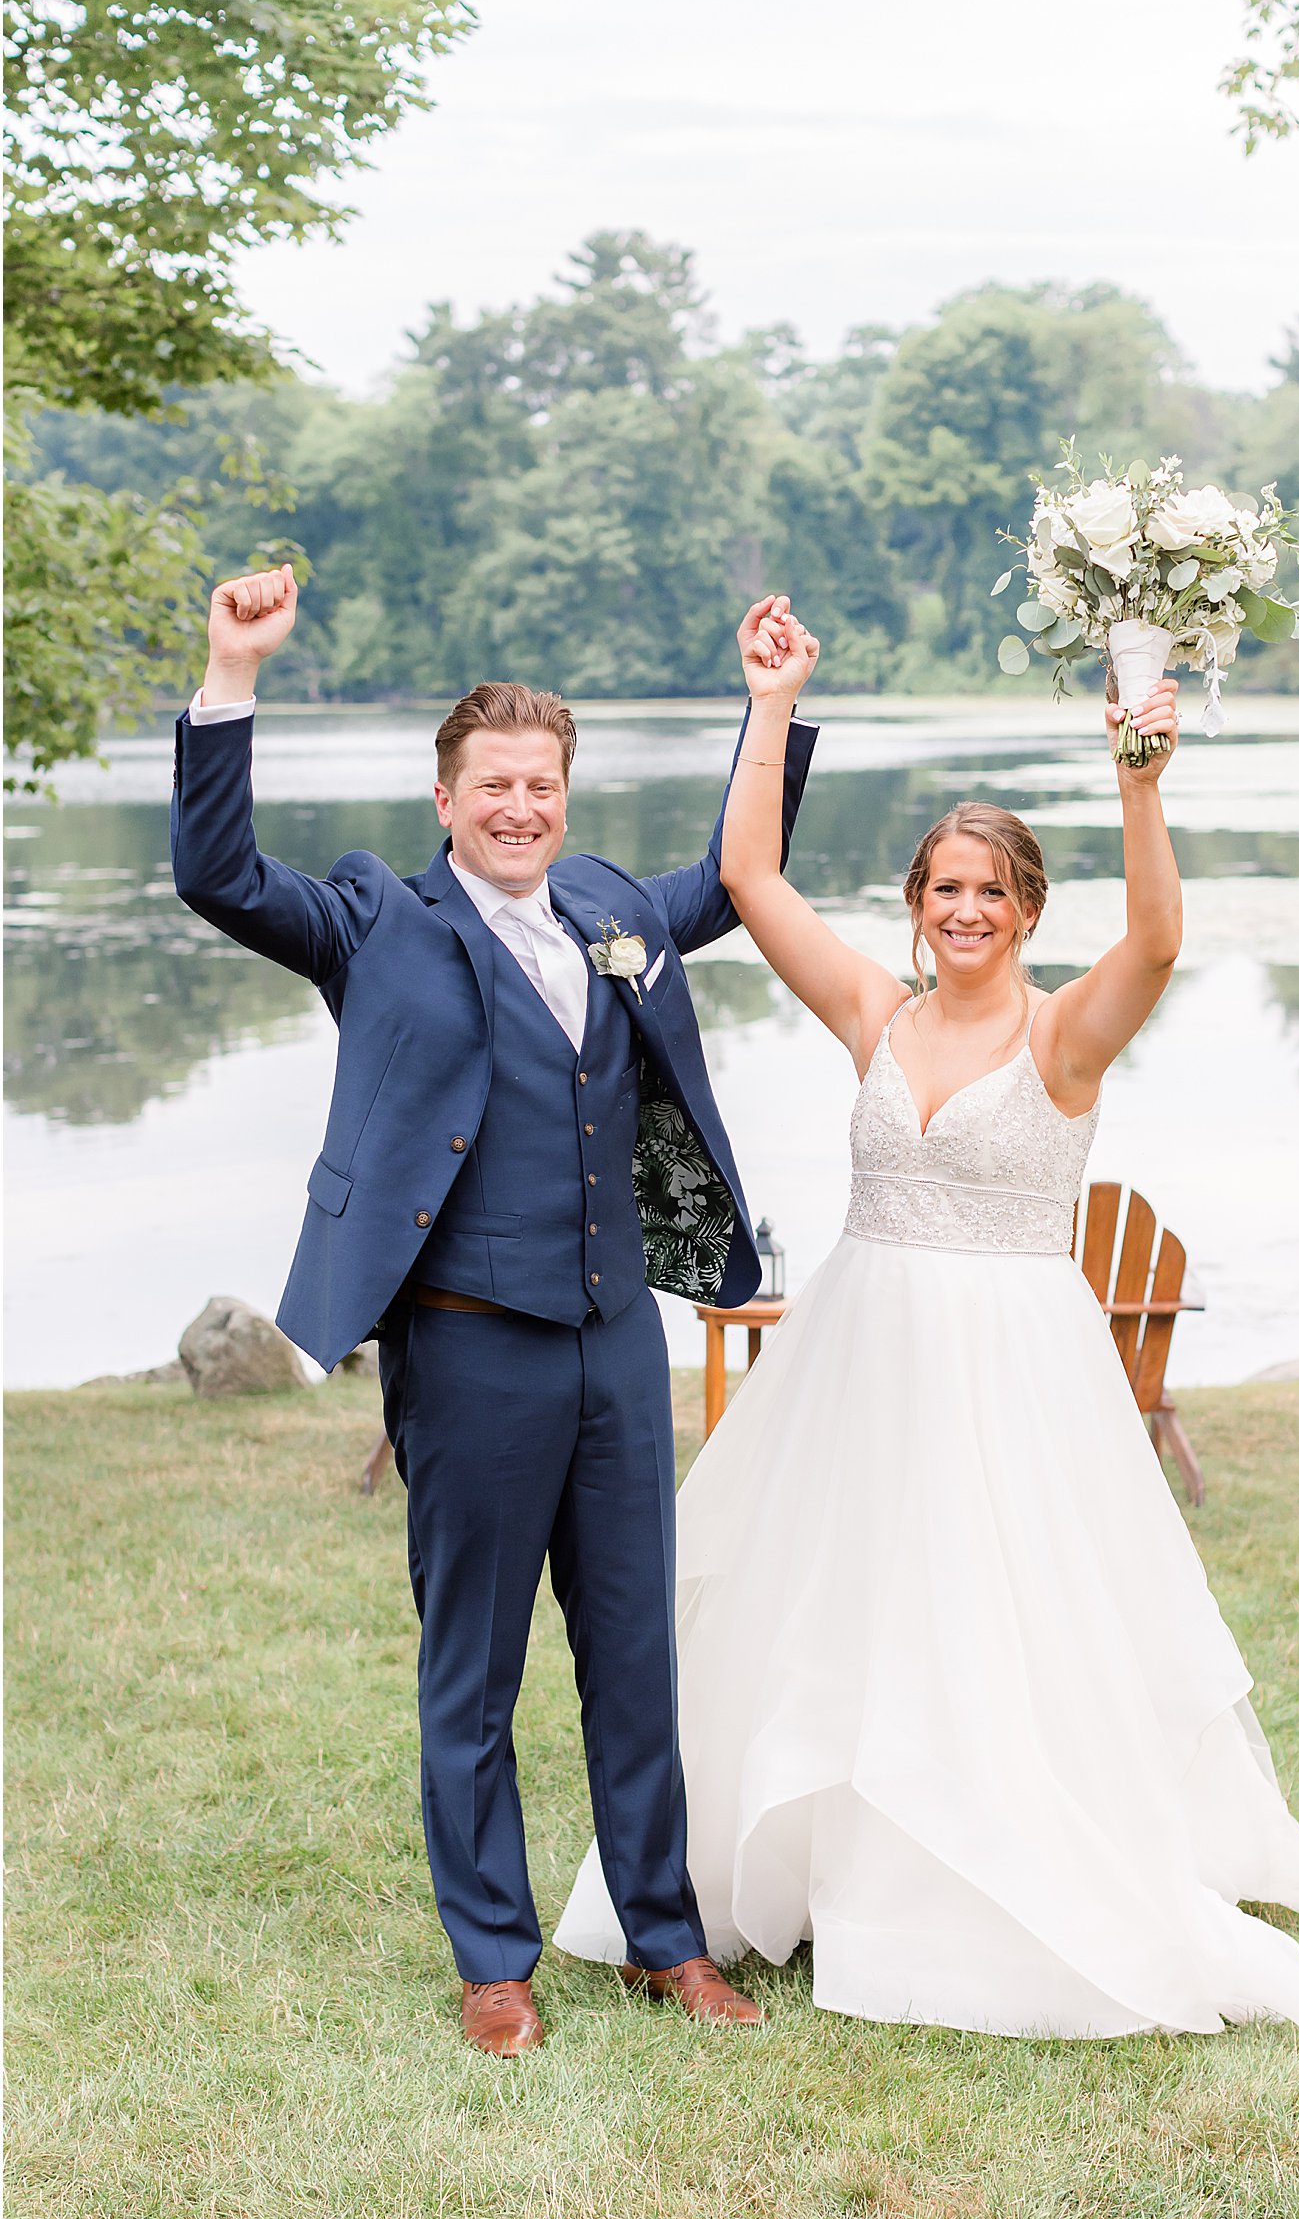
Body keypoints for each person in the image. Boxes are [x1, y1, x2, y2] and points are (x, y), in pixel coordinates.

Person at [557, 597, 1299, 2036]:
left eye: (990, 892)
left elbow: (1160, 940)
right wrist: (772, 699)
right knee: (819, 1610)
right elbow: (748, 870)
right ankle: (781, 1871)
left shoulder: (1064, 1034)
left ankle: (974, 1884)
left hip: (1011, 1378)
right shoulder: (876, 1013)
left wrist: (1139, 775)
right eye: (942, 892)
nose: (965, 912)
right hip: (858, 1361)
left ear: (1029, 910)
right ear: (915, 910)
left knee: (995, 1622)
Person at [171, 566, 821, 2055]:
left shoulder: (606, 907)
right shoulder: (371, 922)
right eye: (495, 786)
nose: (521, 807)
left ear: (565, 799)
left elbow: (737, 875)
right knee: (474, 1664)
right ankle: (494, 1962)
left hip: (613, 1338)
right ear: (448, 797)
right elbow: (220, 876)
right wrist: (231, 672)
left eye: (543, 784)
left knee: (638, 1653)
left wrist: (771, 709)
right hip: (467, 1341)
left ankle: (666, 1936)